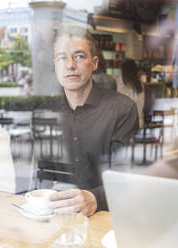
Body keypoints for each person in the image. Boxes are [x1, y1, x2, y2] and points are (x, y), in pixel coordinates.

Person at [49, 25, 139, 216]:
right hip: (57, 215)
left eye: (79, 56)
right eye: (62, 58)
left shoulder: (122, 109)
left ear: (95, 63)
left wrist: (95, 198)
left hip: (108, 216)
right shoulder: (49, 110)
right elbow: (42, 174)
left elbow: (126, 179)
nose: (70, 65)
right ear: (55, 65)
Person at [117, 59, 145, 128]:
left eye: (121, 71)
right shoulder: (140, 85)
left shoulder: (120, 84)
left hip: (125, 125)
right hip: (138, 123)